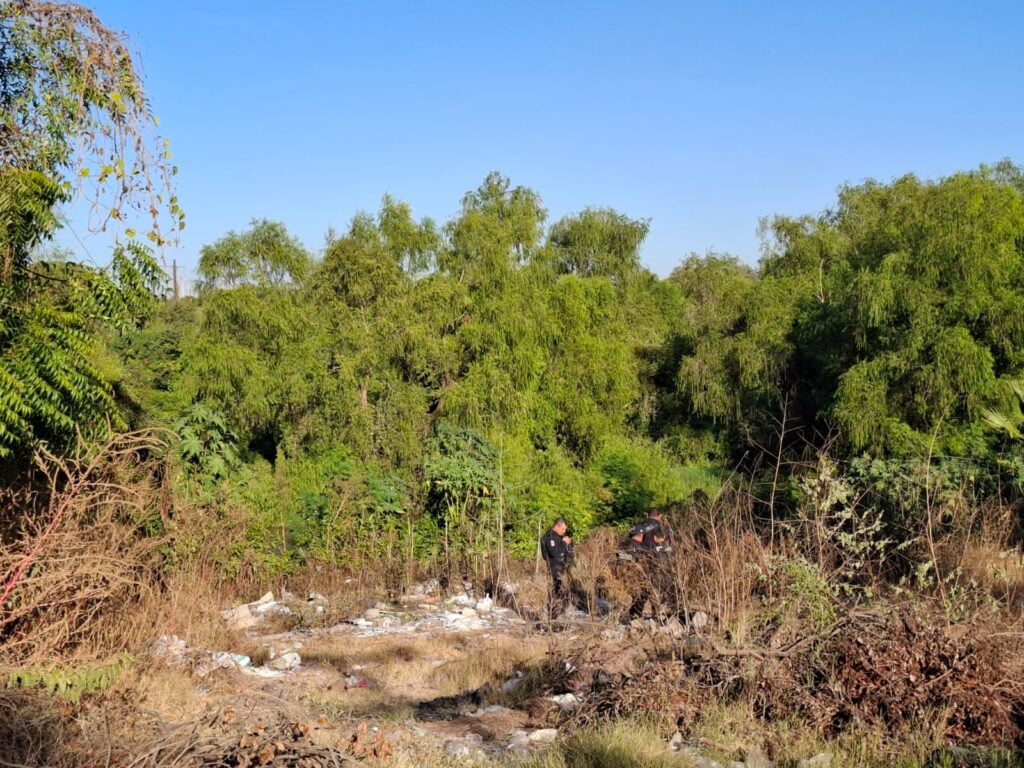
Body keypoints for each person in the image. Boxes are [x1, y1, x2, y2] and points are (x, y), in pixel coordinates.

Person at [540, 517, 573, 617]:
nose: (564, 531)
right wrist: (564, 543)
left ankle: (559, 613)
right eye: (563, 529)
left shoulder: (557, 536)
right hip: (554, 568)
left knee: (562, 592)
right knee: (556, 592)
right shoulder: (550, 537)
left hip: (561, 567)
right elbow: (555, 553)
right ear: (557, 526)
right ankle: (553, 615)